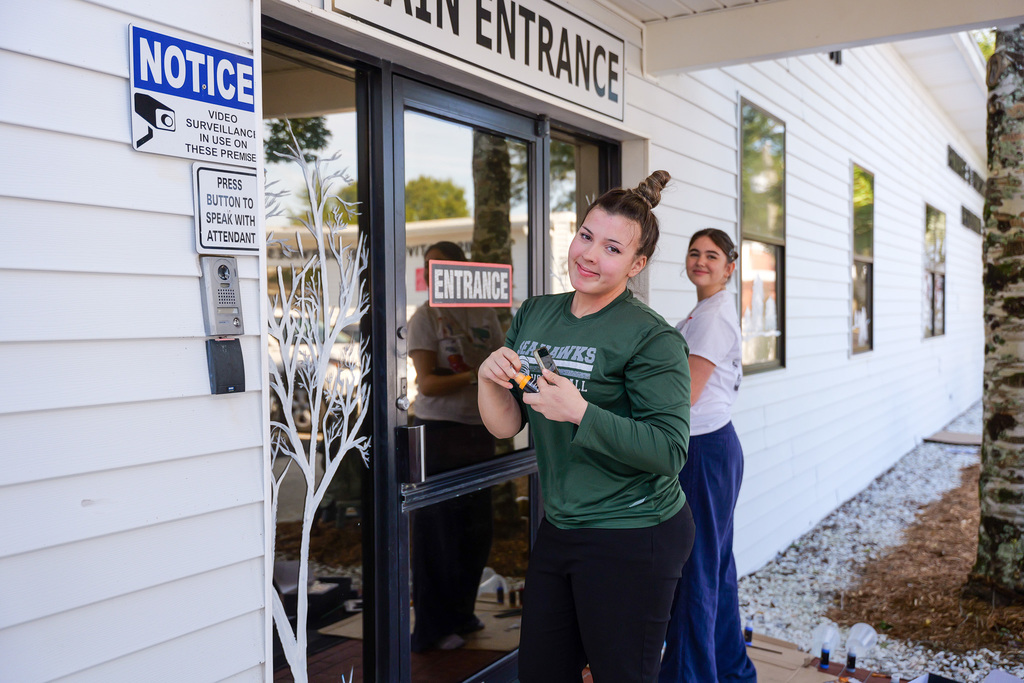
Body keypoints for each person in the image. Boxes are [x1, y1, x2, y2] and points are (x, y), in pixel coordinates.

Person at [477, 171, 695, 682]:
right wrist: (488, 381)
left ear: (636, 265)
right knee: (542, 673)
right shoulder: (536, 314)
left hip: (634, 531)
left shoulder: (651, 338)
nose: (590, 255)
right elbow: (507, 426)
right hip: (562, 524)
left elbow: (670, 451)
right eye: (586, 236)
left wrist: (580, 412)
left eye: (612, 248)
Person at [659, 228, 757, 683]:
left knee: (695, 571)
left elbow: (685, 396)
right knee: (713, 567)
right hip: (712, 448)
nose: (700, 261)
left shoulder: (713, 316)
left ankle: (689, 676)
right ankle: (733, 671)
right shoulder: (705, 311)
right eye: (694, 253)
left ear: (729, 267)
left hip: (702, 449)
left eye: (712, 256)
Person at [407, 241, 505, 652]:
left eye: (444, 268)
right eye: (431, 269)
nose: (437, 276)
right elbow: (427, 384)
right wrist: (476, 375)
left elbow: (504, 361)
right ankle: (430, 630)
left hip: (478, 430)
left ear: (463, 271)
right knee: (437, 535)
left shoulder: (485, 313)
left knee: (475, 530)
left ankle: (462, 614)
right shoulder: (424, 317)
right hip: (439, 431)